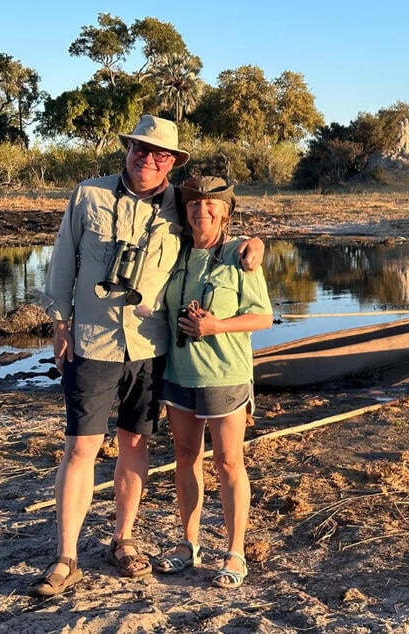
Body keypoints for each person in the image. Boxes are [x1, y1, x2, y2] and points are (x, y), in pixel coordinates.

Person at [29, 115, 265, 597]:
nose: (150, 158)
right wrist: (59, 323)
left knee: (135, 444)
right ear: (128, 149)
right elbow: (61, 258)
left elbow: (219, 224)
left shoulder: (179, 203)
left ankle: (124, 539)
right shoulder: (88, 194)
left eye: (162, 154)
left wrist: (257, 244)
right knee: (80, 447)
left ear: (173, 162)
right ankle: (66, 557)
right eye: (142, 148)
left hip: (150, 346)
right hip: (93, 339)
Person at [152, 176, 272, 588]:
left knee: (227, 462)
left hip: (226, 375)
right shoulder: (174, 252)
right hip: (178, 374)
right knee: (185, 457)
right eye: (194, 205)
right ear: (185, 211)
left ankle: (235, 552)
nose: (201, 211)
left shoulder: (240, 255)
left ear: (225, 211)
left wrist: (217, 325)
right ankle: (188, 544)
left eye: (211, 205)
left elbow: (263, 317)